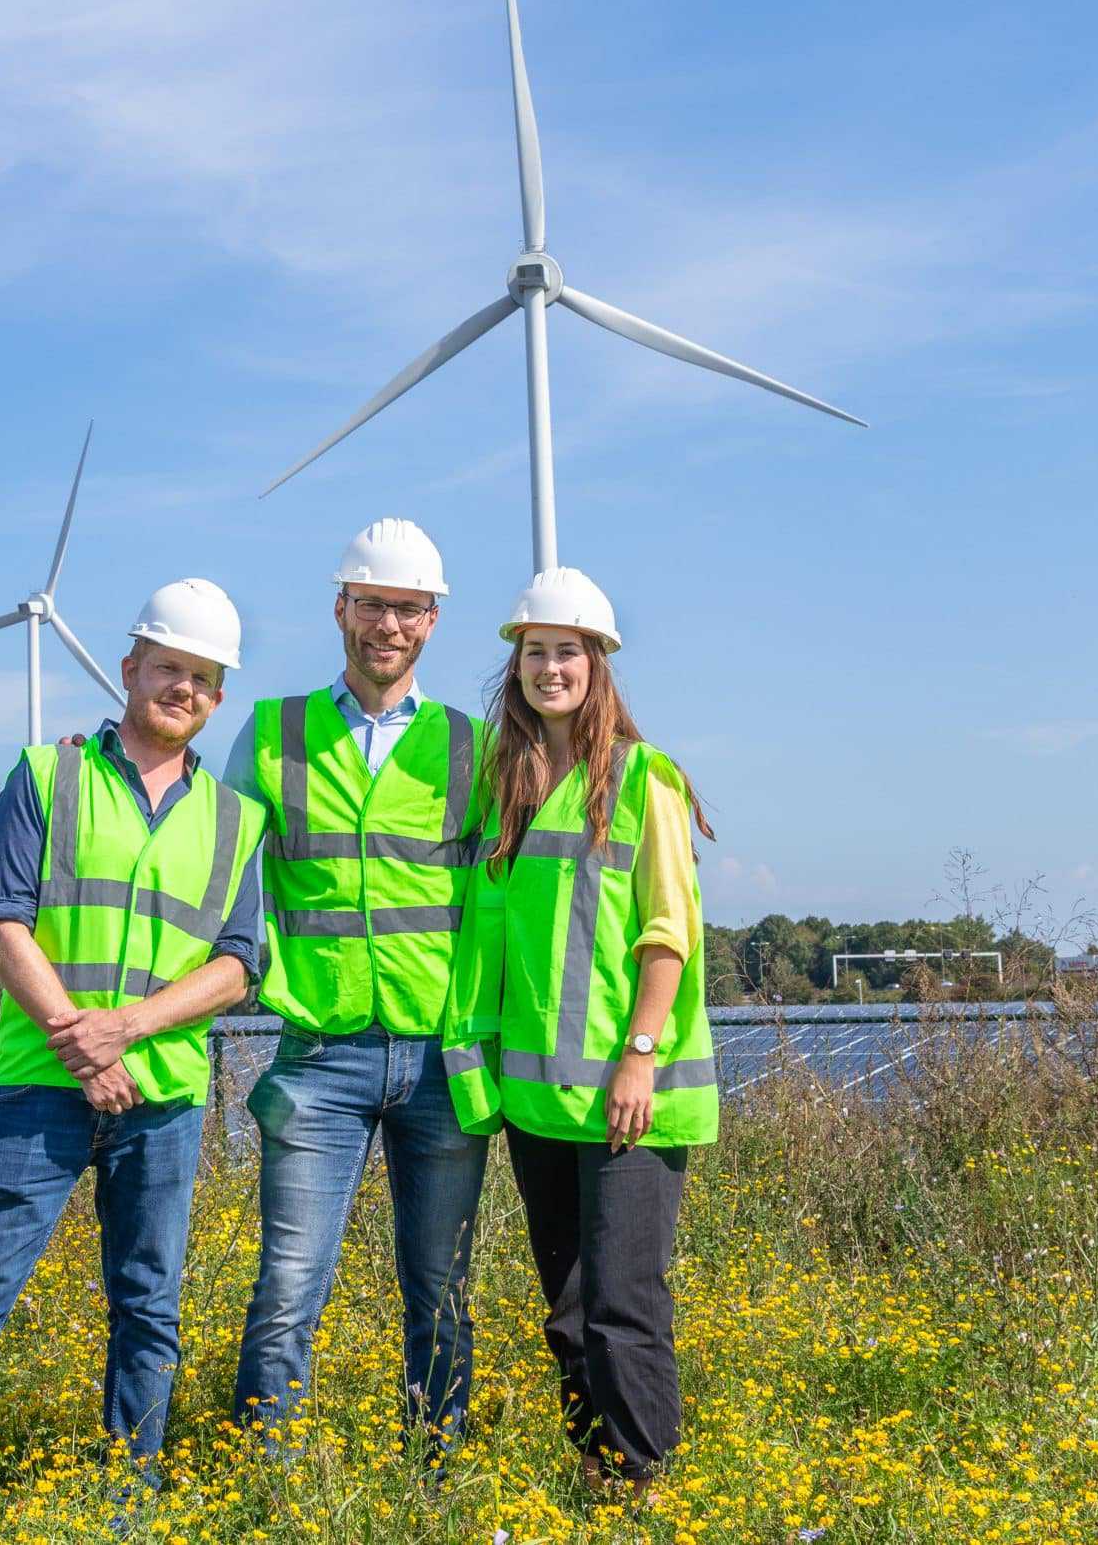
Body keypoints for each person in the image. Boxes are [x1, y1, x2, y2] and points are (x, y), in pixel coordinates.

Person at [0, 578, 269, 1528]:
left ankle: (126, 1502)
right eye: (168, 667)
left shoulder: (235, 819)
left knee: (149, 1311)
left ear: (219, 697)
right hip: (40, 1089)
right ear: (128, 668)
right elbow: (1, 922)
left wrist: (126, 1029)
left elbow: (240, 967)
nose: (183, 687)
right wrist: (83, 1046)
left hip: (165, 1098)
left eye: (203, 677)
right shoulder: (46, 777)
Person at [442, 565, 719, 1504]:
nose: (548, 668)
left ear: (599, 665)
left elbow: (666, 932)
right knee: (565, 1308)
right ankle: (595, 1467)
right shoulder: (505, 788)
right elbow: (489, 941)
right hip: (535, 1100)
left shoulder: (648, 780)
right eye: (534, 652)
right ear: (514, 665)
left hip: (626, 1093)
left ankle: (646, 1481)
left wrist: (638, 1055)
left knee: (622, 1304)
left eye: (567, 652)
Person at [223, 518, 492, 1448]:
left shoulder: (473, 748)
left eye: (408, 608)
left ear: (432, 622)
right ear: (340, 606)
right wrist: (100, 750)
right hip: (319, 1056)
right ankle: (264, 1471)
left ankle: (437, 1476)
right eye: (372, 603)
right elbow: (207, 859)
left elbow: (523, 887)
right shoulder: (270, 733)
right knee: (289, 1285)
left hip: (441, 1063)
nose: (389, 624)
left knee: (441, 1290)